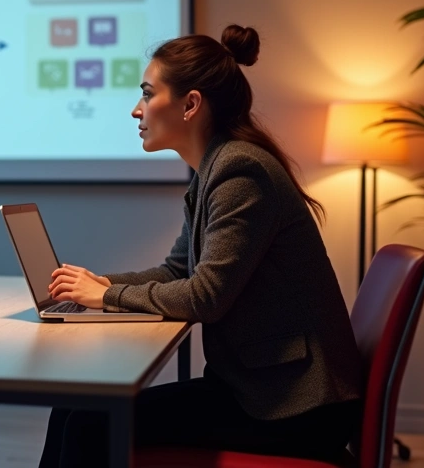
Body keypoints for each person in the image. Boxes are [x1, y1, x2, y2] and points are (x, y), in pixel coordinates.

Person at [39, 25, 364, 466]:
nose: (136, 110)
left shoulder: (239, 172)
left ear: (191, 104)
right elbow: (178, 271)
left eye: (147, 94)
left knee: (87, 423)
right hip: (265, 387)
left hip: (296, 406)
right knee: (75, 407)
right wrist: (101, 284)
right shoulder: (216, 168)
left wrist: (108, 296)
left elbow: (206, 297)